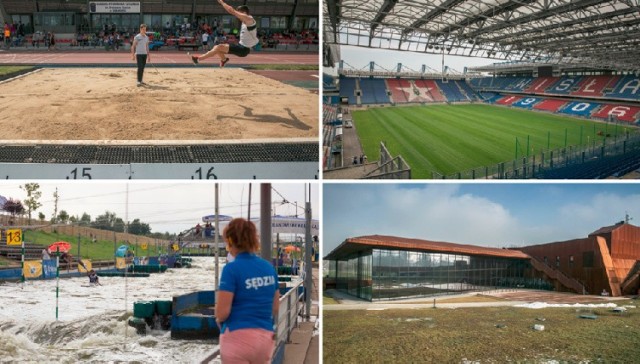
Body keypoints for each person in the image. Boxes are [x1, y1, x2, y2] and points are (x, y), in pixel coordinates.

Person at [216, 218, 279, 363]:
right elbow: (275, 308)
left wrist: (218, 318)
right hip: (265, 339)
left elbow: (222, 313)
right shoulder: (269, 268)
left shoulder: (231, 269)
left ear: (230, 242)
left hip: (236, 339)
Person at [190, 0, 259, 67]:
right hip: (240, 46)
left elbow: (232, 11)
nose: (237, 16)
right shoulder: (245, 20)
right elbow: (232, 12)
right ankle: (224, 59)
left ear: (244, 12)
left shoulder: (249, 19)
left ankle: (198, 59)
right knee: (216, 48)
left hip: (243, 49)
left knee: (218, 47)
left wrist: (221, 1)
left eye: (239, 12)